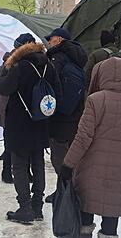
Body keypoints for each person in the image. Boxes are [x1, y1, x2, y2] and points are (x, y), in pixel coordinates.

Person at [60, 57, 121, 238]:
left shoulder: (95, 100)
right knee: (111, 214)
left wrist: (68, 164)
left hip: (91, 167)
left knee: (85, 211)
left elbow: (83, 137)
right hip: (120, 169)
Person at [0, 38, 58, 224]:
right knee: (38, 163)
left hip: (19, 124)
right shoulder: (48, 66)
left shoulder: (19, 67)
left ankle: (25, 207)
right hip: (40, 122)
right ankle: (37, 207)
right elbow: (57, 92)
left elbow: (3, 87)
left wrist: (7, 68)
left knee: (20, 165)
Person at [45, 27, 88, 202]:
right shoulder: (76, 57)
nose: (48, 42)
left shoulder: (58, 58)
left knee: (60, 157)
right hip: (74, 115)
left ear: (60, 40)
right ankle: (65, 190)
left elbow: (51, 86)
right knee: (70, 155)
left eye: (51, 39)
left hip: (61, 117)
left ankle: (65, 193)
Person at [0, 33, 37, 184]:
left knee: (20, 142)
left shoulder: (19, 61)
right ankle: (7, 172)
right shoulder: (12, 62)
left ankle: (24, 172)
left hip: (13, 107)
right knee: (11, 143)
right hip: (11, 108)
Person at [83, 30, 121, 97]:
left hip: (102, 96)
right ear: (114, 42)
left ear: (102, 43)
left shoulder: (95, 55)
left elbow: (88, 77)